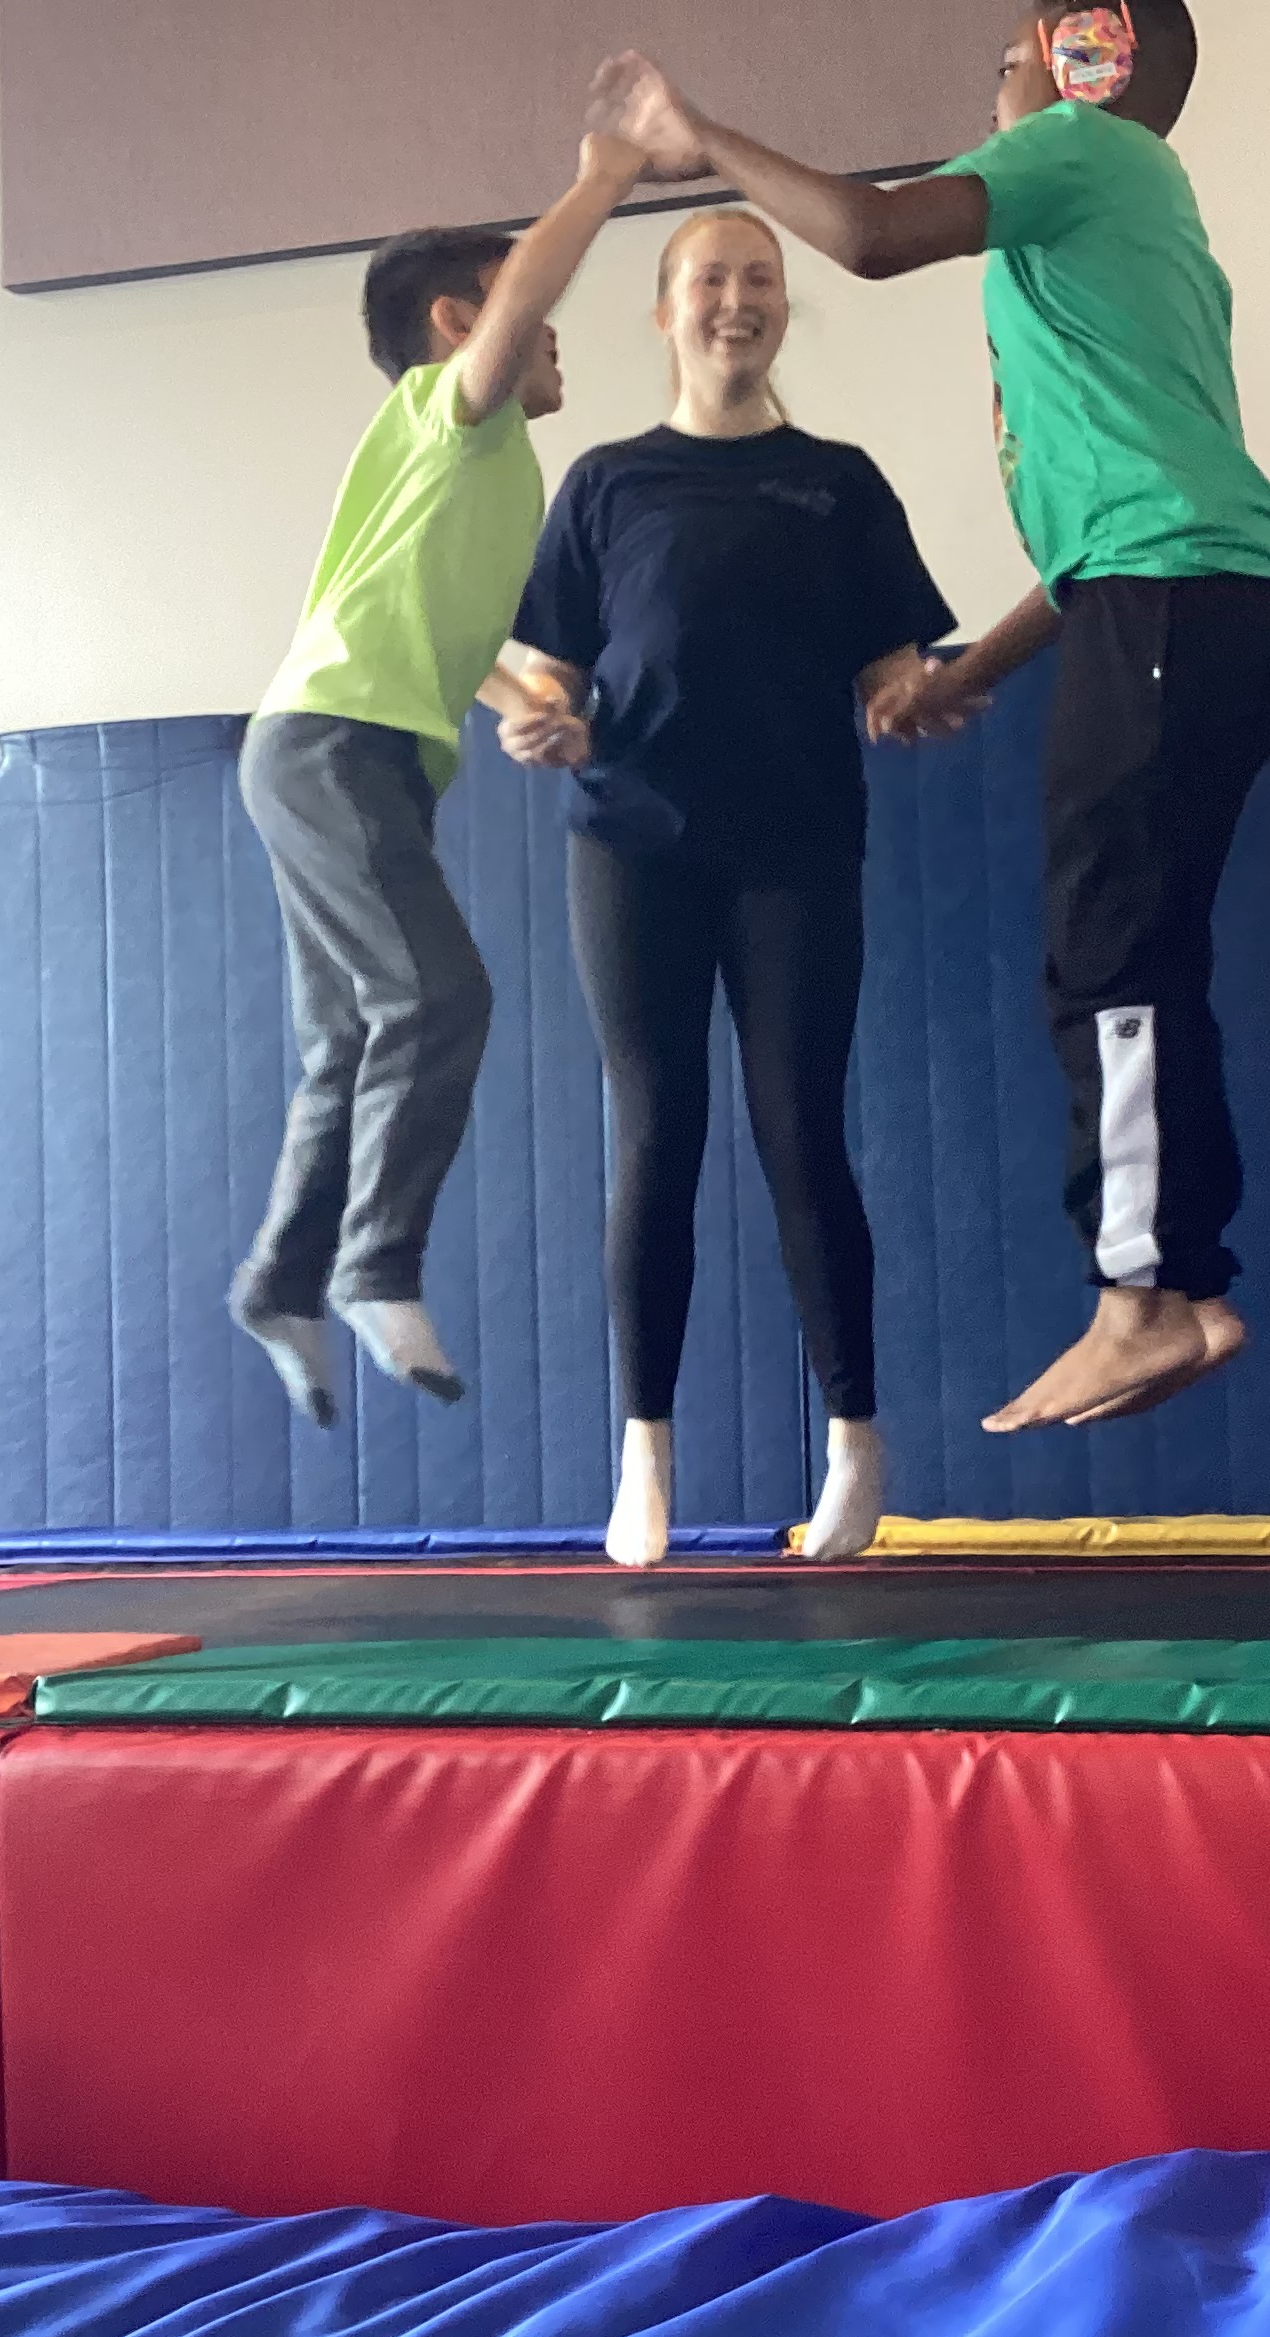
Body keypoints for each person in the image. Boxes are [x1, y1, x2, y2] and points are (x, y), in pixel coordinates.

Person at [588, 4, 1270, 1434]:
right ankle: (1181, 1284)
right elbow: (1105, 538)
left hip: (1171, 605)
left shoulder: (1077, 146)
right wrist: (968, 672)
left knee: (1106, 951)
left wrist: (699, 138)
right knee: (1145, 954)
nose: (994, 94)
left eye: (1008, 64)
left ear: (1080, 64)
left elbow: (868, 235)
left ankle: (1141, 1299)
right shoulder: (1139, 217)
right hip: (1206, 601)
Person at [497, 208, 964, 1565]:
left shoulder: (838, 482)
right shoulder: (606, 483)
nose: (737, 300)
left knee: (799, 1131)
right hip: (631, 844)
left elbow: (893, 666)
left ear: (781, 310)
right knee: (657, 1133)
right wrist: (537, 719)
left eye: (761, 279)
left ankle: (856, 1443)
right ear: (665, 311)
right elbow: (549, 675)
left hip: (796, 851)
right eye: (710, 278)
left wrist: (917, 695)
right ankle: (644, 1450)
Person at [229, 135, 647, 1425]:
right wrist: (606, 178)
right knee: (439, 994)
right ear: (464, 323)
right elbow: (527, 300)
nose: (555, 335)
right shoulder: (451, 416)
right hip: (334, 746)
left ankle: (281, 1279)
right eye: (528, 310)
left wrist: (533, 704)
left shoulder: (483, 474)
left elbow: (455, 636)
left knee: (348, 1039)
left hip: (339, 752)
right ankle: (374, 1268)